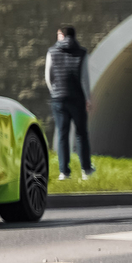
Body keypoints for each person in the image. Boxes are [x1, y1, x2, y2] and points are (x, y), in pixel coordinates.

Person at [44, 24, 93, 179]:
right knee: (81, 134)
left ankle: (64, 172)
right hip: (77, 97)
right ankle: (86, 170)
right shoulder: (82, 52)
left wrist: (55, 92)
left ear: (61, 35)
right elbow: (84, 78)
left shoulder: (52, 52)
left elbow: (48, 76)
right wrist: (87, 98)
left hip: (59, 99)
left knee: (62, 134)